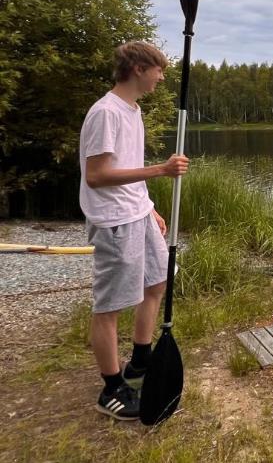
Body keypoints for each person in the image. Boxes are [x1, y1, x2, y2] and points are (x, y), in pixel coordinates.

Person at [79, 41, 189, 420]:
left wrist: (150, 206)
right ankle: (111, 388)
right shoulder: (106, 113)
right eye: (158, 69)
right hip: (114, 220)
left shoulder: (133, 110)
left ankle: (140, 359)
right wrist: (161, 170)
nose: (161, 76)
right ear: (139, 68)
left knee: (157, 281)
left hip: (137, 212)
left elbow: (127, 166)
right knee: (109, 305)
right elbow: (96, 176)